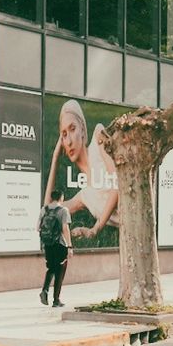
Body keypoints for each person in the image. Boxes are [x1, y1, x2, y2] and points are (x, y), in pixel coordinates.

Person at [45, 99, 120, 244]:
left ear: (83, 131)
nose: (69, 141)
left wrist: (95, 229)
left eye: (72, 129)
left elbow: (118, 185)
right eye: (64, 135)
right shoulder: (84, 196)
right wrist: (55, 159)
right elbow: (48, 211)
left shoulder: (98, 138)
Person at [38, 189, 73, 308]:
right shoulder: (63, 210)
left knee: (51, 268)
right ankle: (56, 300)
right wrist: (69, 246)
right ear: (61, 197)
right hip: (60, 244)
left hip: (48, 244)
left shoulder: (44, 209)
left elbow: (37, 227)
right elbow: (65, 229)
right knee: (60, 272)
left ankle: (45, 290)